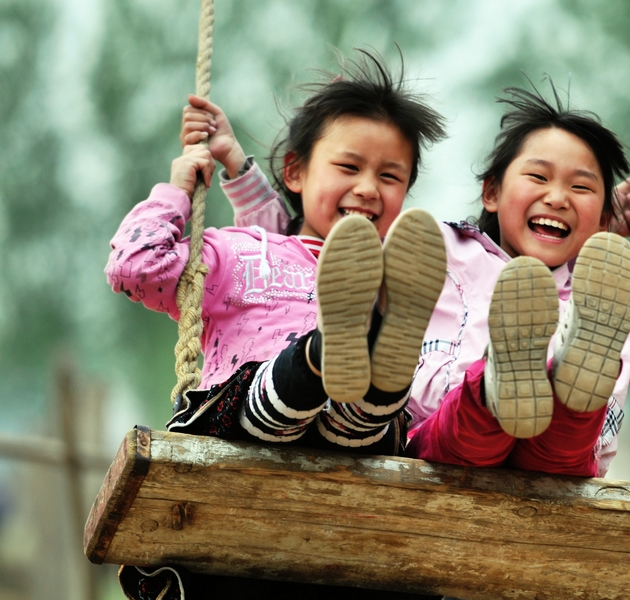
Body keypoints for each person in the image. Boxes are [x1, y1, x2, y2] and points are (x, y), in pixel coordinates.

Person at [189, 82, 630, 479]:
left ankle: (570, 373)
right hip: (441, 435)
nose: (557, 197)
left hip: (562, 470)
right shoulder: (432, 247)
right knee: (474, 418)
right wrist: (239, 171)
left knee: (572, 422)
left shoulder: (616, 306)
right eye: (538, 177)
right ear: (491, 192)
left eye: (581, 188)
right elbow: (312, 260)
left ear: (606, 218)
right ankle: (503, 377)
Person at [107, 50, 448, 600]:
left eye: (390, 176)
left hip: (353, 459)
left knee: (368, 414)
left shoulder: (396, 279)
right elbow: (135, 269)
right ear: (294, 172)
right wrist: (176, 190)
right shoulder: (238, 251)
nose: (369, 188)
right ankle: (322, 355)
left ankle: (375, 367)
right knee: (271, 394)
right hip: (237, 431)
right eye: (349, 167)